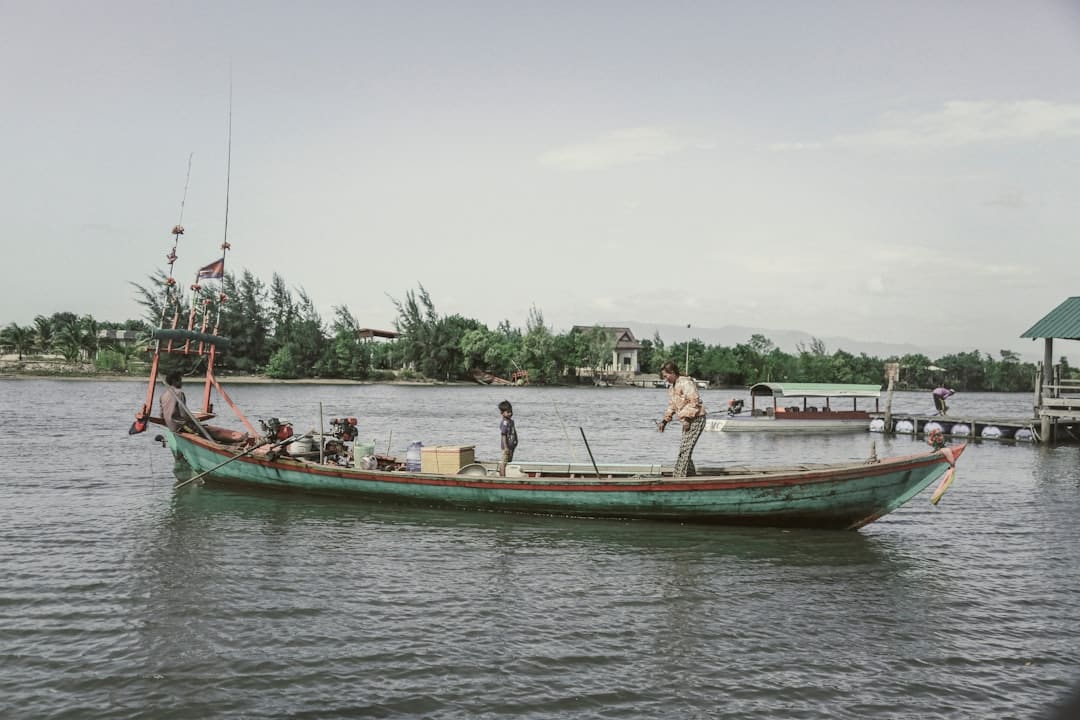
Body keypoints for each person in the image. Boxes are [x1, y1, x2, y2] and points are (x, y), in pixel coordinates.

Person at [657, 360, 707, 477]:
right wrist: (664, 422)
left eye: (666, 376)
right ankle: (690, 474)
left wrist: (687, 419)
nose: (666, 379)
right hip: (687, 420)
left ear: (673, 372)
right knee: (684, 448)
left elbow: (694, 401)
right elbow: (672, 406)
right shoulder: (672, 388)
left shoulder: (685, 383)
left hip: (696, 418)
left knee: (685, 449)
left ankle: (679, 476)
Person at [497, 400, 518, 477]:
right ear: (502, 413)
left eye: (511, 411)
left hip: (511, 445)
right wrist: (505, 447)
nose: (510, 413)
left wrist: (516, 441)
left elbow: (514, 431)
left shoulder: (511, 422)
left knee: (508, 460)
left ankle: (503, 473)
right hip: (506, 447)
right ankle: (502, 477)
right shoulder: (504, 423)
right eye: (508, 412)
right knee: (504, 461)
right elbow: (503, 435)